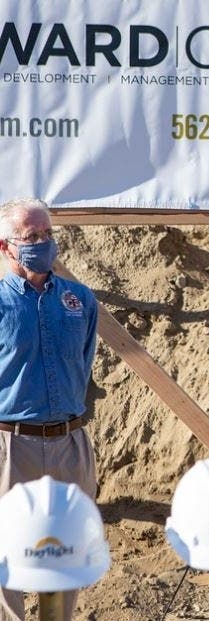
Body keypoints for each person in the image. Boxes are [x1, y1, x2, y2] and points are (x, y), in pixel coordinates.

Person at [0, 198, 98, 621]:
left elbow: (85, 361)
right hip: (11, 446)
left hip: (70, 443)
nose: (42, 243)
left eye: (47, 234)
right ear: (6, 247)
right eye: (31, 236)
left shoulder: (80, 300)